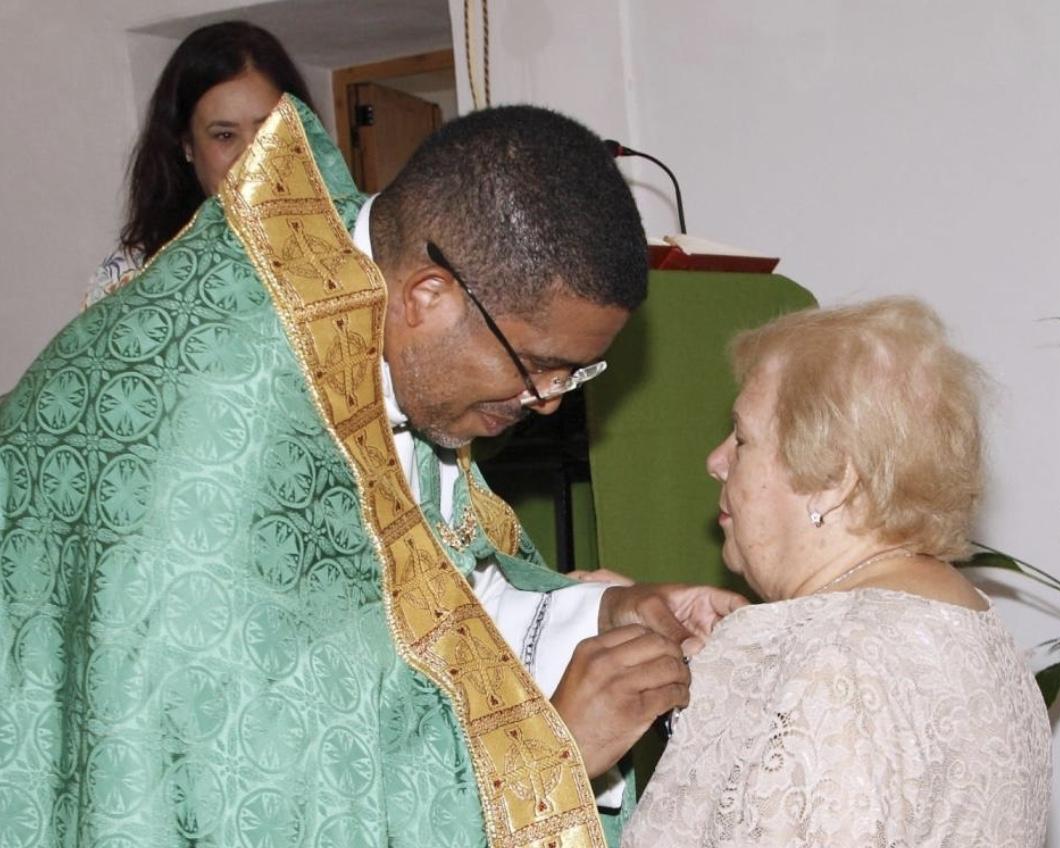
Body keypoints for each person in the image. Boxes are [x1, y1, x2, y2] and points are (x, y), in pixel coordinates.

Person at [0, 97, 743, 846]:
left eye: (572, 375)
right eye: (538, 368)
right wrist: (547, 761)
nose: (547, 402)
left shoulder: (357, 315)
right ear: (429, 297)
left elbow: (414, 610)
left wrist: (602, 617)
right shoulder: (214, 437)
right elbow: (239, 798)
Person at [623, 298, 1052, 847]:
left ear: (833, 481)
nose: (716, 460)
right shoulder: (975, 627)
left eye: (742, 438)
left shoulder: (822, 661)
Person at [84, 20, 315, 307]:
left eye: (270, 129)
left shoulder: (354, 245)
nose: (252, 156)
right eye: (225, 135)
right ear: (187, 145)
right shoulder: (133, 279)